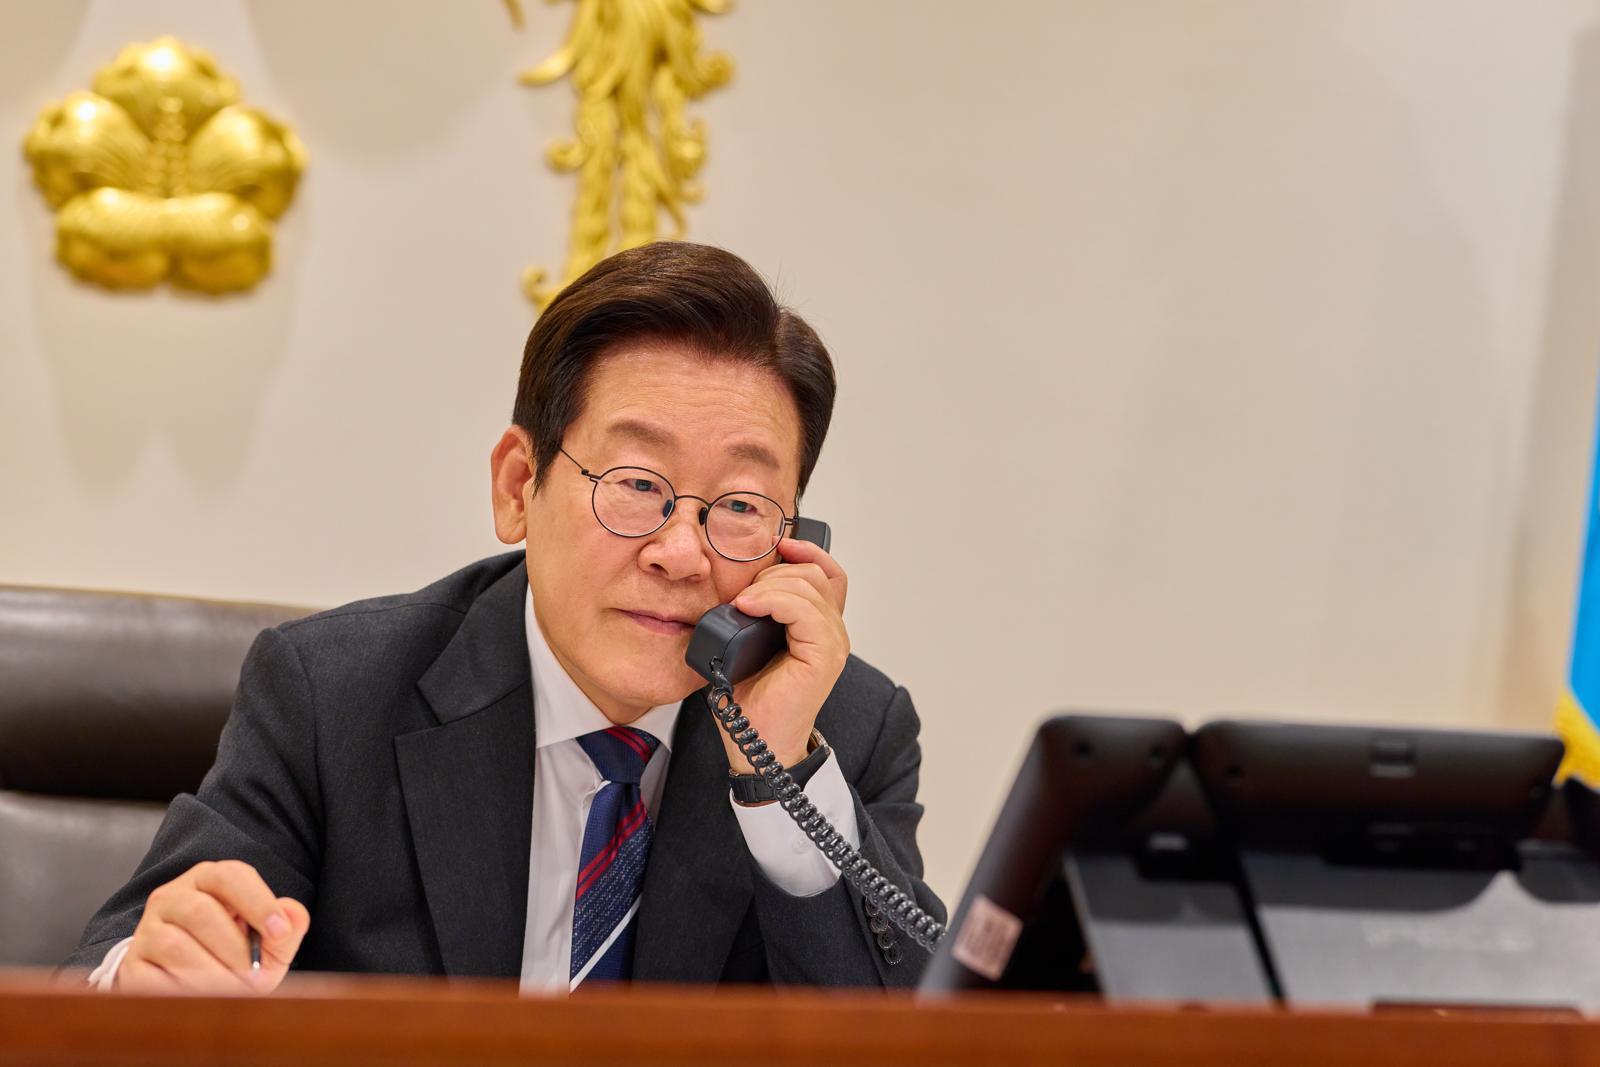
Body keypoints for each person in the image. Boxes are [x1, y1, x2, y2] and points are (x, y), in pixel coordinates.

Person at [64, 241, 943, 993]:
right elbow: (109, 969)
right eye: (637, 484)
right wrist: (149, 978)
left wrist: (778, 776)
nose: (682, 553)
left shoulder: (845, 730)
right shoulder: (335, 695)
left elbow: (910, 1043)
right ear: (519, 486)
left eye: (742, 505)